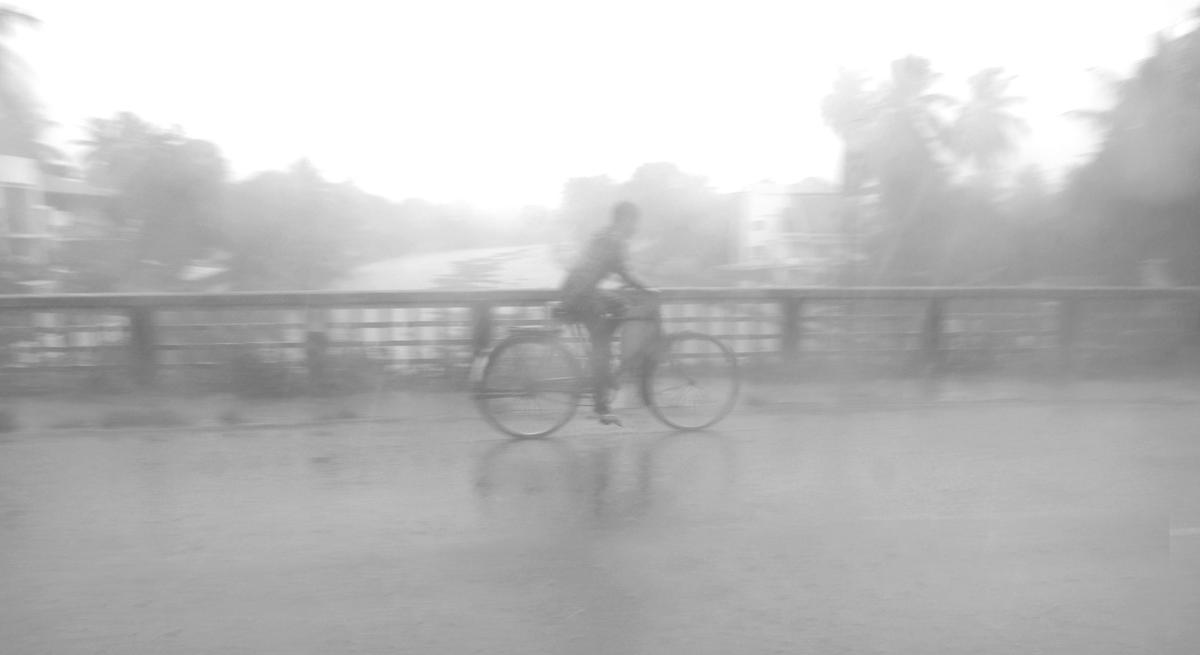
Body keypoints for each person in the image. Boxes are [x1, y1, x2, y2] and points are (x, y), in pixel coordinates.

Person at [560, 201, 652, 426]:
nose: (636, 227)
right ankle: (601, 405)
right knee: (601, 349)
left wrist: (631, 286)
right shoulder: (614, 239)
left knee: (620, 306)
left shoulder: (606, 235)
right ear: (625, 220)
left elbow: (608, 268)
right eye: (634, 222)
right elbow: (624, 271)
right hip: (580, 295)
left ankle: (604, 368)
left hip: (580, 289)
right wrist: (647, 288)